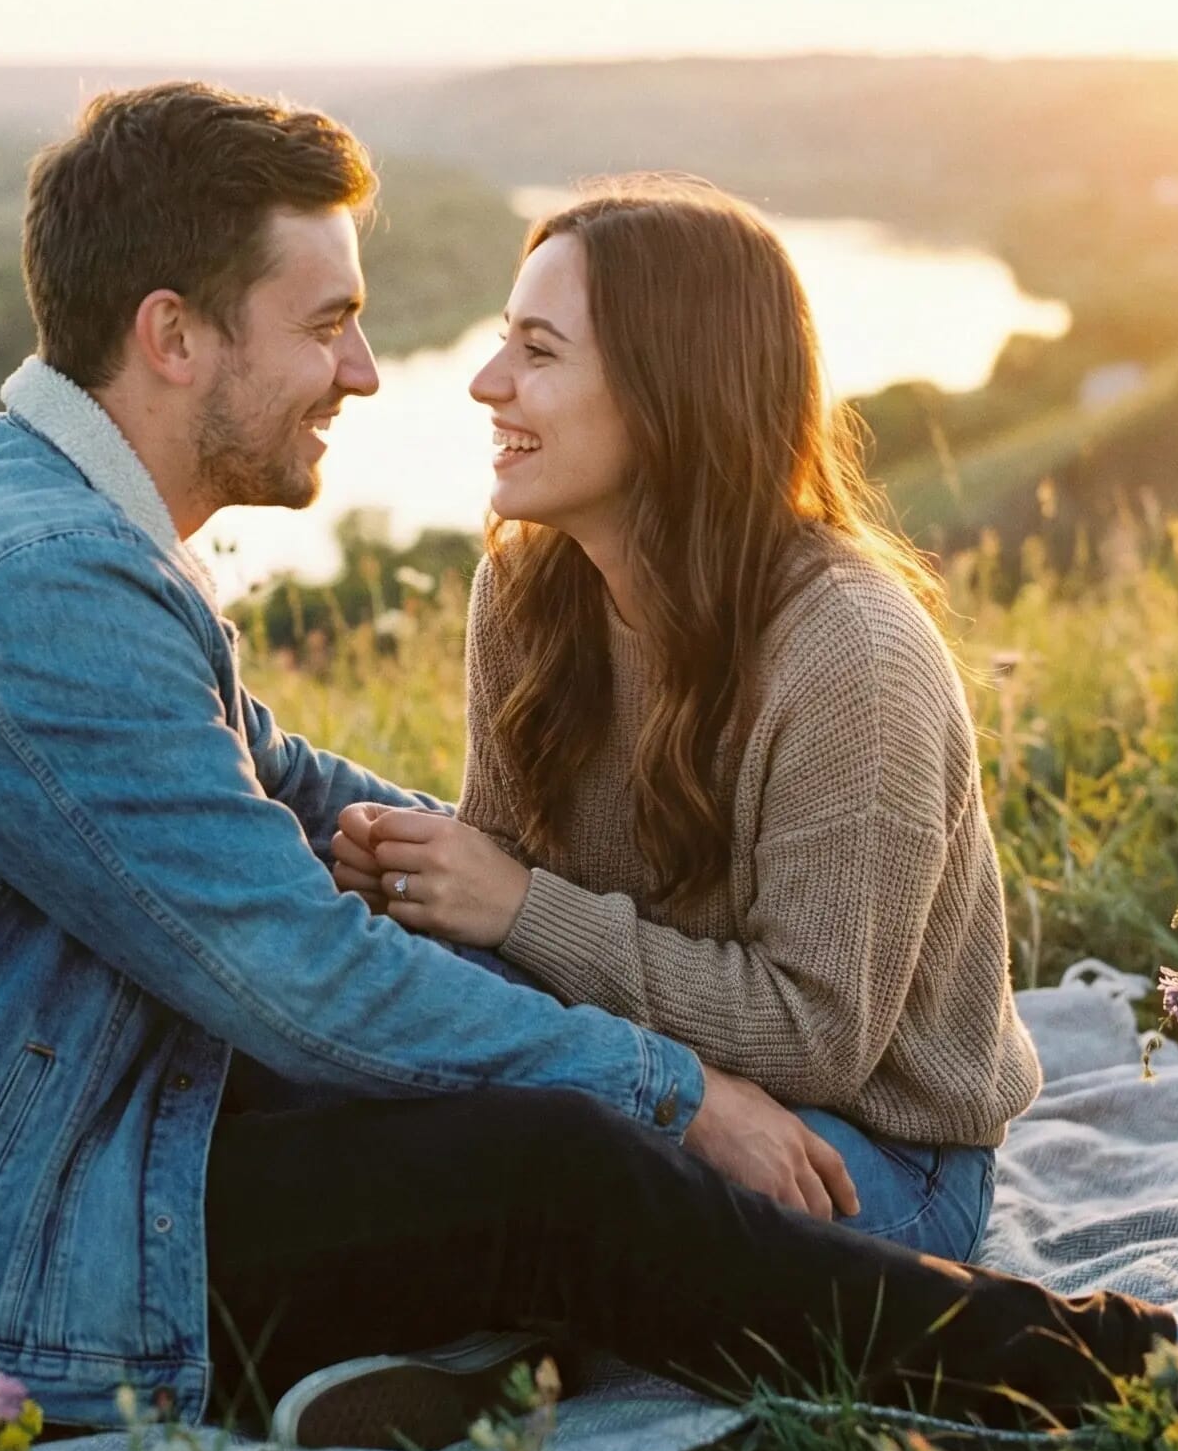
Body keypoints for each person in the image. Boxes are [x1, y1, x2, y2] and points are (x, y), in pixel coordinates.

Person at [0, 81, 1178, 1451]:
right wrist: (669, 1088)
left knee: (489, 1124)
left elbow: (270, 782)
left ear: (668, 392)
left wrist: (446, 871)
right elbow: (308, 975)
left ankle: (489, 1340)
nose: (378, 373)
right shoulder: (45, 591)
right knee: (551, 1160)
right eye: (326, 322)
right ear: (171, 337)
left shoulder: (51, 527)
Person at [330, 179, 1033, 1266]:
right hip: (649, 1087)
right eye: (502, 339)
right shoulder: (525, 594)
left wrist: (513, 904)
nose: (487, 381)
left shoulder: (852, 653)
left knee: (547, 1184)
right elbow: (508, 927)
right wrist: (415, 890)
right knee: (351, 1059)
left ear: (669, 391)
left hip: (870, 1154)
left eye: (538, 351)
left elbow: (815, 1040)